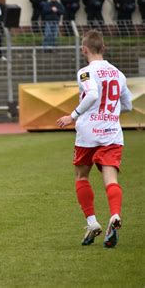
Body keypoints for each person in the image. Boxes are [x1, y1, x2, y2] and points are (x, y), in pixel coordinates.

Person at [57, 30, 133, 248]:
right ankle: (115, 215)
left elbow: (91, 95)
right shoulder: (119, 74)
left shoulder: (85, 72)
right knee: (111, 180)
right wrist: (110, 114)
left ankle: (92, 222)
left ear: (84, 49)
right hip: (111, 133)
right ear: (104, 48)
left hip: (88, 133)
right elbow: (127, 105)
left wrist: (72, 116)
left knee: (81, 177)